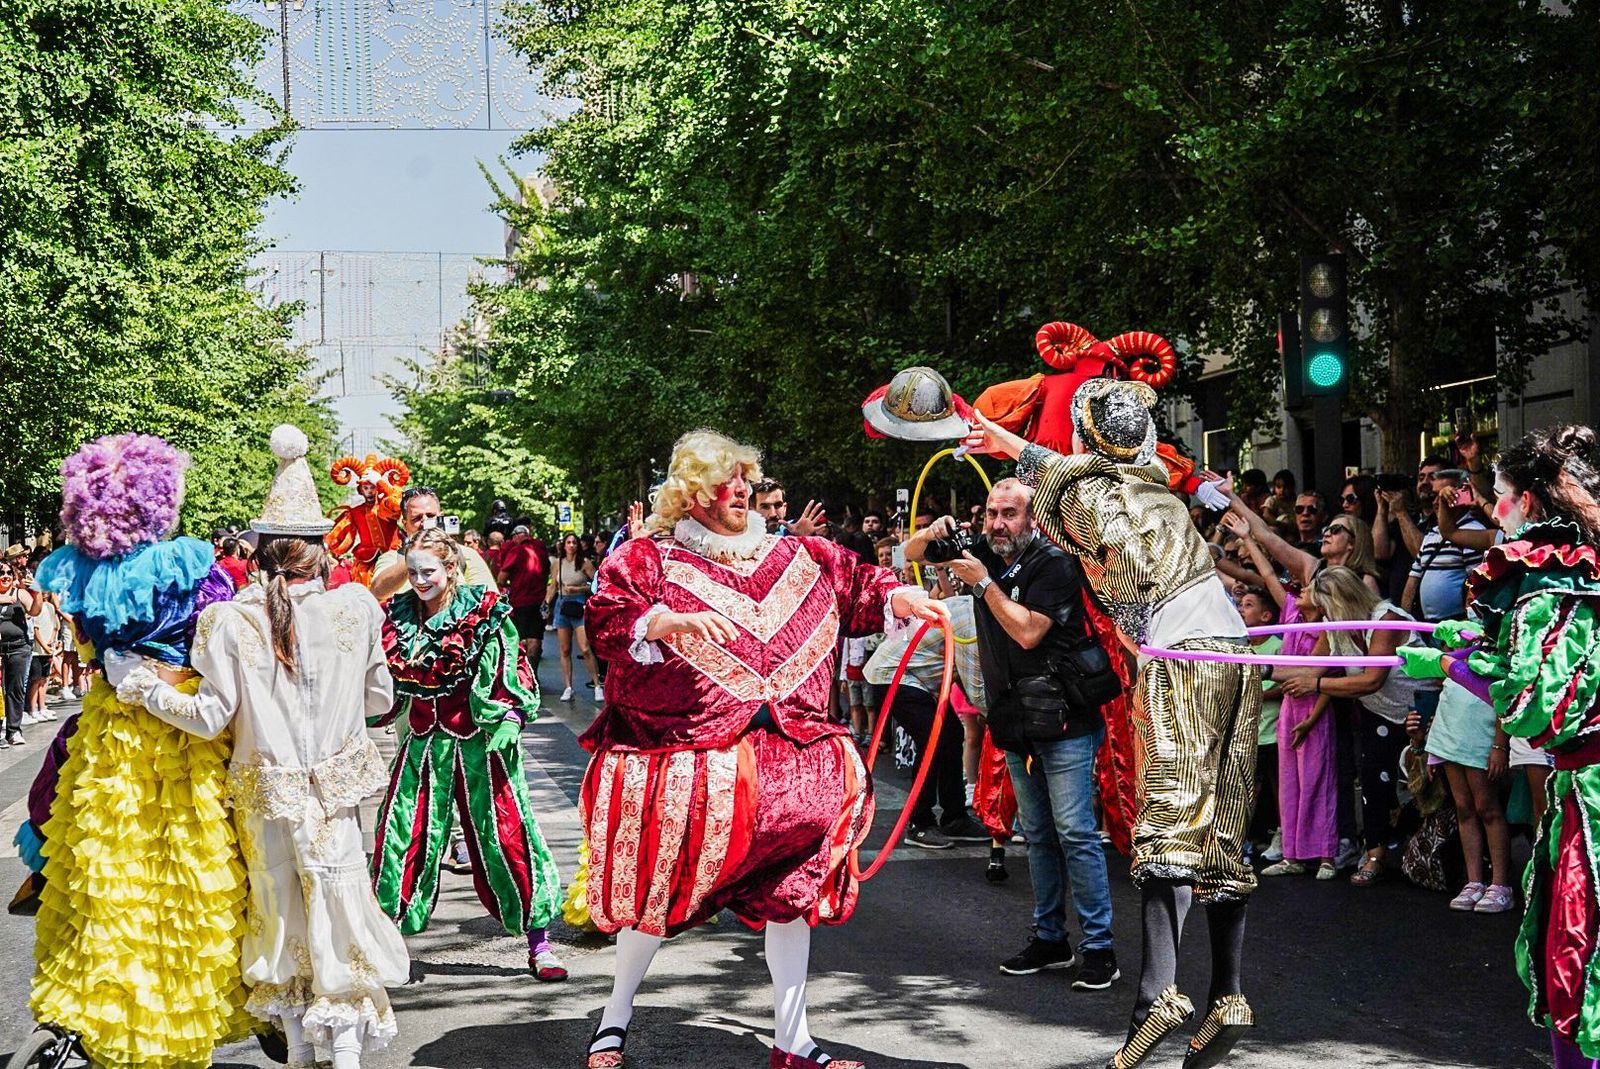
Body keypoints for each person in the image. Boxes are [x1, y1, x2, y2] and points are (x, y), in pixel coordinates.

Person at [579, 428, 945, 1069]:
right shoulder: (646, 561)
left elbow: (862, 586)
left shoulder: (805, 557)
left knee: (795, 898)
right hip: (693, 767)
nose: (742, 489)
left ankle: (793, 1041)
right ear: (693, 495)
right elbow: (609, 621)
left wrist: (902, 595)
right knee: (656, 894)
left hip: (797, 762)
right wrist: (664, 621)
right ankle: (614, 1020)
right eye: (725, 481)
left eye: (744, 477)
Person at [966, 383, 1260, 1069]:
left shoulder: (1085, 494)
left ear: (1085, 440)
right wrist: (1009, 443)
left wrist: (1009, 443)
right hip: (1235, 647)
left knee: (1167, 825)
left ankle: (1155, 996)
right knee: (1223, 826)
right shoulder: (1155, 484)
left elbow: (1063, 479)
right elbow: (1067, 462)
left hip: (1181, 655)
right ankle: (1229, 994)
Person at [112, 425, 411, 1068]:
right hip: (332, 794)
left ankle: (301, 1052)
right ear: (321, 550)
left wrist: (140, 688)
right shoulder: (357, 609)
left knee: (280, 919)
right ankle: (350, 1056)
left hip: (266, 794)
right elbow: (380, 701)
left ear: (261, 552)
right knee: (340, 912)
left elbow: (209, 716)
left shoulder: (228, 619)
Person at [28, 432, 252, 1069]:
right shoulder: (189, 566)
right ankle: (174, 1011)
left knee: (107, 869)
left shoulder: (77, 569)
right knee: (183, 873)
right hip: (178, 735)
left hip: (107, 734)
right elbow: (217, 639)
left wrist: (118, 664)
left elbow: (93, 647)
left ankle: (104, 1008)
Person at [1399, 425, 1600, 1069]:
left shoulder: (1555, 584)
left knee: (1577, 949)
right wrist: (1470, 646)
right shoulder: (1567, 573)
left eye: (1502, 494)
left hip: (1593, 795)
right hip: (1580, 788)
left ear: (1533, 503)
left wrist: (1456, 669)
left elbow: (1546, 709)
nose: (1495, 507)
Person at [906, 480, 1119, 990]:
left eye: (1010, 514)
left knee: (1075, 835)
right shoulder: (982, 548)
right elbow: (910, 552)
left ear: (1033, 518)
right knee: (1038, 836)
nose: (998, 524)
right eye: (992, 514)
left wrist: (982, 584)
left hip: (1064, 718)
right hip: (1014, 718)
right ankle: (1050, 938)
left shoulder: (1055, 564)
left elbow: (1027, 630)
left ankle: (1100, 949)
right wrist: (930, 534)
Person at [370, 527, 565, 981]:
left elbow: (513, 667)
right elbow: (382, 683)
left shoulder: (485, 612)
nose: (420, 580)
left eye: (429, 571)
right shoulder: (397, 615)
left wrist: (513, 717)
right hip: (422, 743)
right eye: (413, 572)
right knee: (402, 835)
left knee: (506, 835)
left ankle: (539, 944)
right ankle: (387, 942)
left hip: (480, 743)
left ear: (452, 568)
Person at [1277, 566, 1424, 887]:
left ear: (1340, 601)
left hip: (1421, 709)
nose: (1320, 613)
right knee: (1373, 781)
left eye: (1323, 605)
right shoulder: (1336, 624)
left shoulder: (1386, 620)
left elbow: (1371, 680)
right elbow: (1311, 666)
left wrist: (1316, 685)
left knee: (1424, 786)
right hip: (1377, 712)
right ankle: (1375, 856)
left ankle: (1428, 857)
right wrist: (1246, 665)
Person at [1224, 516, 1338, 879]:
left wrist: (1310, 717)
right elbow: (1269, 577)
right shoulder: (1291, 612)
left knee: (1319, 780)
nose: (1297, 591)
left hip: (1315, 708)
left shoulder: (1326, 629)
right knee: (1290, 782)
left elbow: (1321, 675)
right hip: (1289, 705)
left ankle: (1326, 855)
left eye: (1304, 590)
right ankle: (1292, 853)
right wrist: (1248, 540)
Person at [864, 593, 989, 849]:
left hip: (915, 679)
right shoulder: (971, 621)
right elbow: (975, 689)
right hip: (895, 676)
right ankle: (920, 824)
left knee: (951, 735)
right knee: (935, 741)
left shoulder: (973, 607)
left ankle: (954, 818)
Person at [368, 487, 497, 602]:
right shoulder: (393, 558)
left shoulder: (465, 554)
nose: (425, 523)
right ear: (405, 524)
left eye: (430, 516)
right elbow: (377, 591)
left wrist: (445, 550)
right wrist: (415, 556)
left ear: (441, 518)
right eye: (416, 518)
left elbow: (490, 599)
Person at [1401, 469, 1486, 623]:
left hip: (1457, 628)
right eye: (1435, 496)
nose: (1436, 502)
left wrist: (1468, 627)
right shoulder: (1431, 534)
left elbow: (1476, 585)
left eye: (1445, 495)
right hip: (1426, 627)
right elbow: (1413, 579)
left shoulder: (1474, 532)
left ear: (1462, 495)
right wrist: (1405, 624)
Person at [546, 532, 604, 702]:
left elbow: (596, 584)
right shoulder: (558, 563)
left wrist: (578, 589)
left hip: (579, 604)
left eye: (574, 542)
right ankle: (568, 687)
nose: (571, 545)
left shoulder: (584, 563)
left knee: (585, 648)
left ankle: (597, 685)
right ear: (563, 545)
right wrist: (546, 602)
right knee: (564, 649)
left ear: (578, 545)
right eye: (568, 542)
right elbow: (553, 586)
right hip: (562, 605)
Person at [0, 553, 42, 746]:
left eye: (9, 572)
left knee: (15, 689)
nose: (5, 576)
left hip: (18, 647)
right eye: (1, 572)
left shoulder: (19, 594)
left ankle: (14, 730)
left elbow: (35, 611)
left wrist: (37, 592)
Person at [496, 523, 552, 670]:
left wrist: (510, 581)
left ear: (517, 535)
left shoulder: (516, 550)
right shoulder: (541, 548)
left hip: (520, 601)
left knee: (520, 639)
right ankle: (534, 674)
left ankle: (522, 676)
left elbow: (501, 578)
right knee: (535, 639)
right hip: (539, 601)